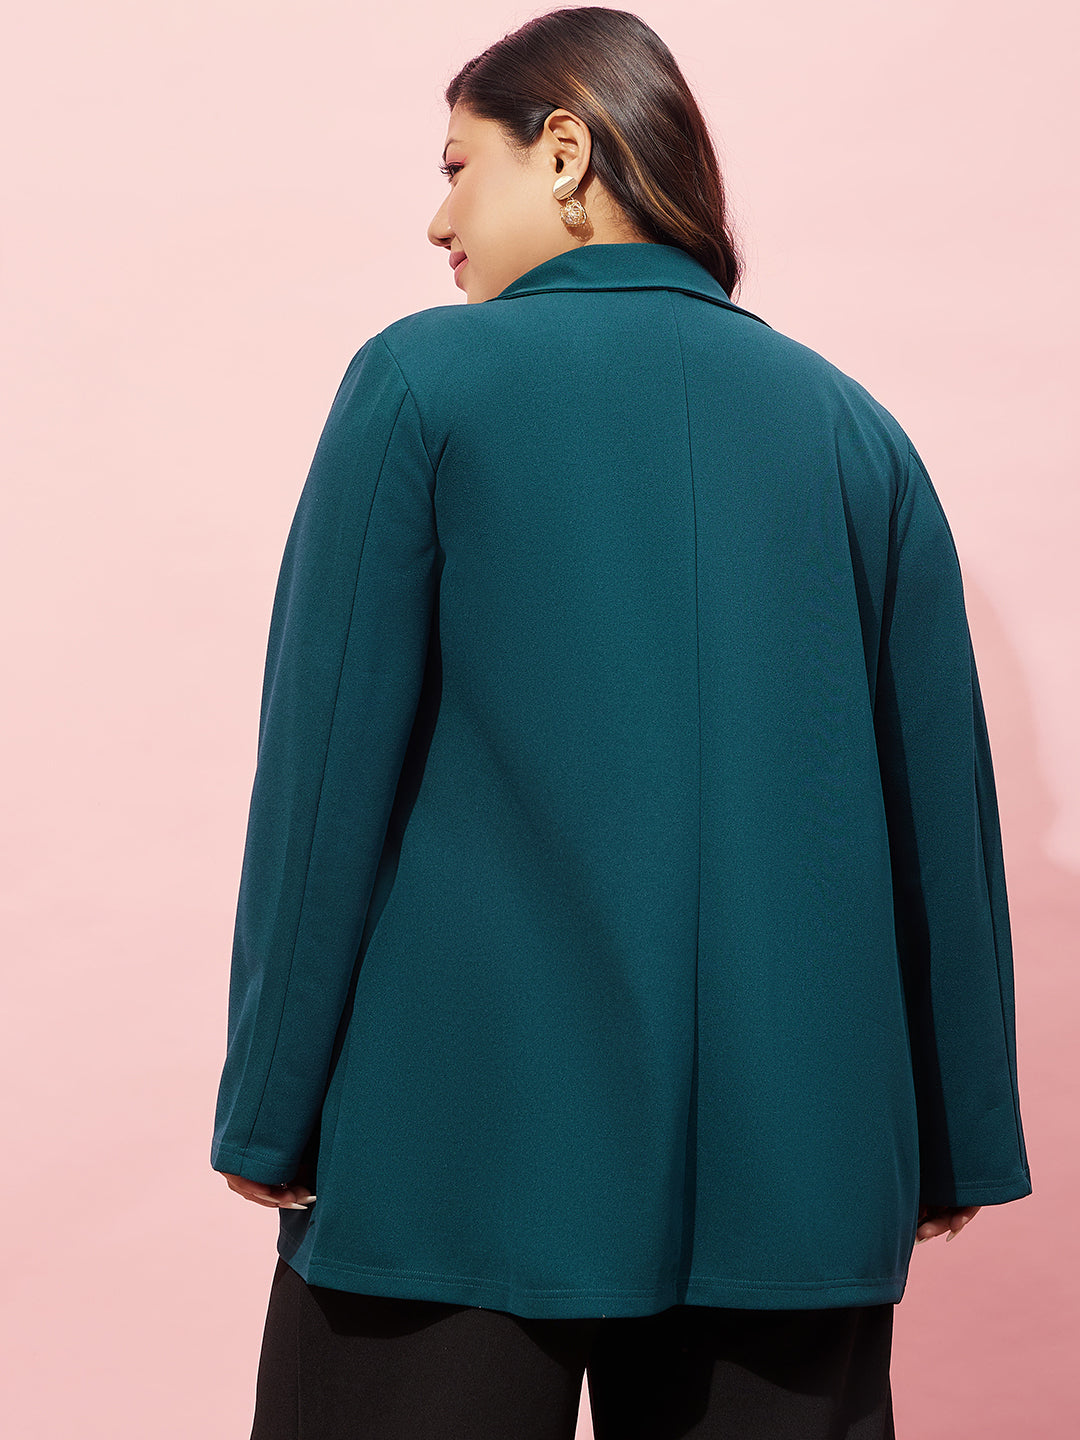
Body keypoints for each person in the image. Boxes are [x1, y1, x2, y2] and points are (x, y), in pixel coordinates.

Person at [209, 8, 1033, 1437]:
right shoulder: (856, 430)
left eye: (458, 168)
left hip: (456, 1150)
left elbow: (327, 772)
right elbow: (936, 810)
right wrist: (953, 1137)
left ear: (565, 152)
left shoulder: (423, 384)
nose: (437, 219)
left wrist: (269, 1107)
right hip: (797, 1169)